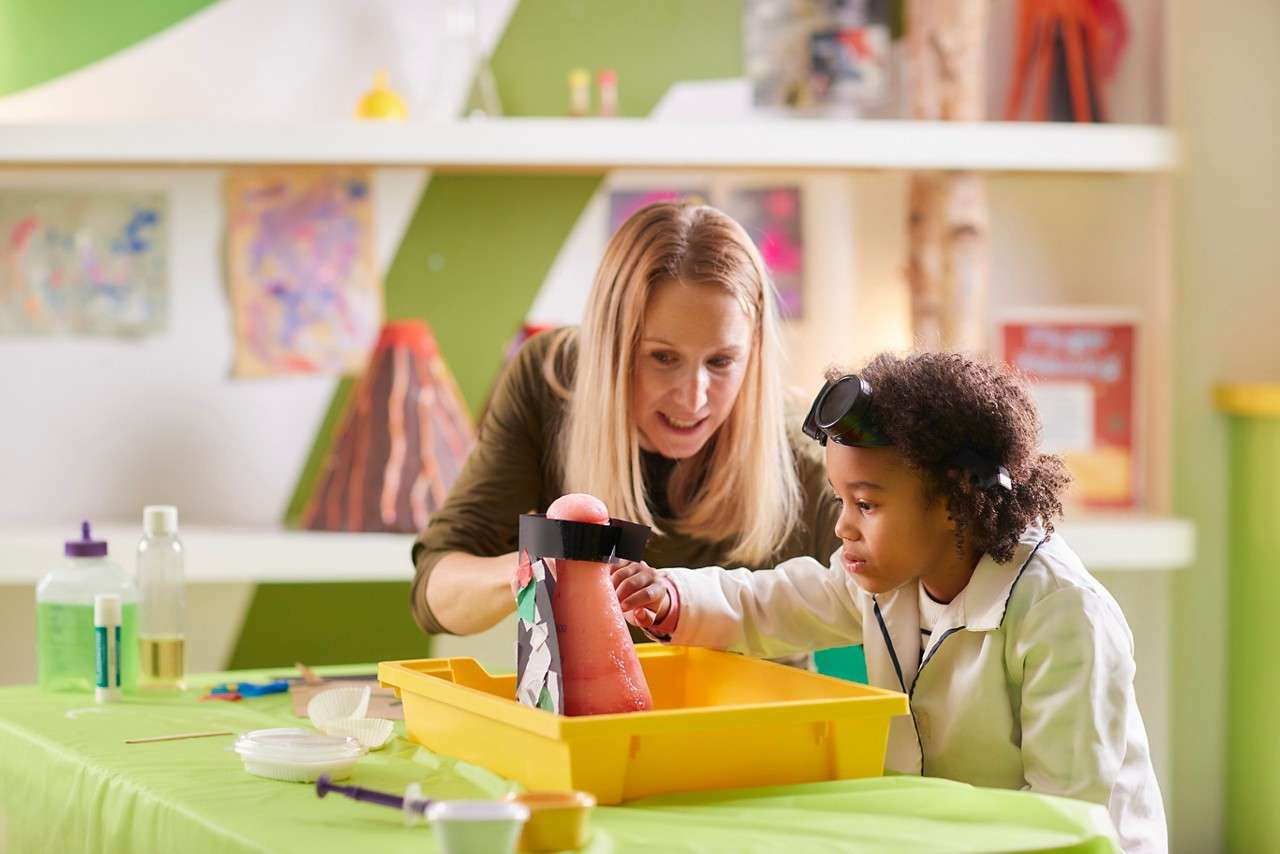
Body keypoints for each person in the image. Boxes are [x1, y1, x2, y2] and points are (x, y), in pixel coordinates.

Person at [612, 352, 1167, 854]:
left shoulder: (1061, 613)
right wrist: (673, 597)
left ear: (954, 502)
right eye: (840, 499)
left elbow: (1064, 811)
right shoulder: (891, 575)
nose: (842, 525)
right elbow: (772, 602)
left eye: (867, 505)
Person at [410, 202, 839, 639]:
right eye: (663, 357)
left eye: (722, 361)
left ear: (754, 355)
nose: (694, 397)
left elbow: (886, 581)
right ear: (611, 349)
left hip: (769, 707)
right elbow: (434, 593)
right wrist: (542, 562)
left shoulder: (796, 445)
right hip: (593, 709)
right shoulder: (550, 380)